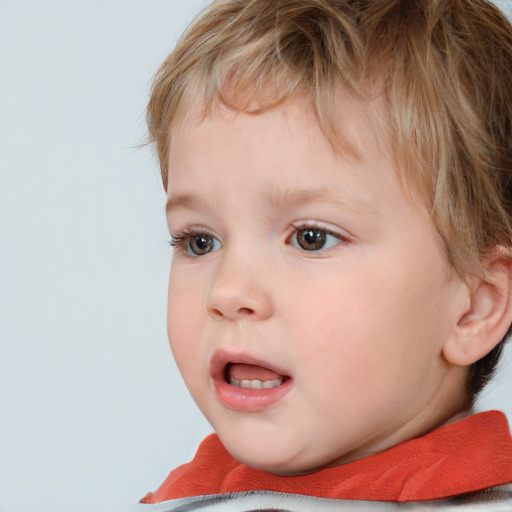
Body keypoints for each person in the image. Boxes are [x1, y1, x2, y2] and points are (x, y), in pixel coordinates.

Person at [137, 0, 512, 510]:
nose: (226, 291)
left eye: (311, 237)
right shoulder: (184, 497)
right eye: (200, 241)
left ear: (474, 307)